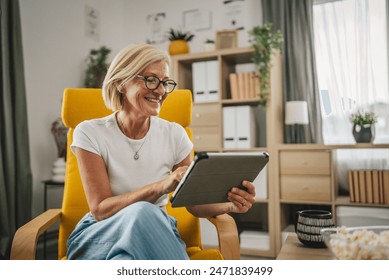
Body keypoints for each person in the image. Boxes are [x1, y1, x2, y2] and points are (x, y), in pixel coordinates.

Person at [66, 43, 257, 260]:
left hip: (156, 230)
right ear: (121, 83)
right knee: (143, 211)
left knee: (125, 261)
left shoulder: (174, 134)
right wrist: (161, 186)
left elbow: (193, 202)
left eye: (165, 82)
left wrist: (231, 204)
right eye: (150, 79)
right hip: (100, 234)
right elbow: (100, 209)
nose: (160, 91)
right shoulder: (90, 132)